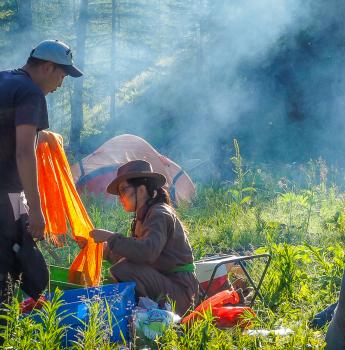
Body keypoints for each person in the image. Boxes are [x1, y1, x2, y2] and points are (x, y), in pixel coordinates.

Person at [0, 40, 83, 306]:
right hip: (5, 191)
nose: (61, 84)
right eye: (62, 75)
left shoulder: (4, 80)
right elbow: (24, 152)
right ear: (48, 67)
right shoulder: (30, 93)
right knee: (9, 260)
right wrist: (36, 210)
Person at [91, 160, 200, 316]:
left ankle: (144, 316)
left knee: (124, 268)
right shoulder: (144, 216)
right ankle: (138, 314)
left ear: (141, 190)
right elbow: (136, 255)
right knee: (124, 265)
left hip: (181, 293)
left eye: (123, 190)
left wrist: (111, 237)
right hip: (167, 285)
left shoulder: (159, 214)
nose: (120, 197)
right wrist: (104, 250)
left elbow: (147, 252)